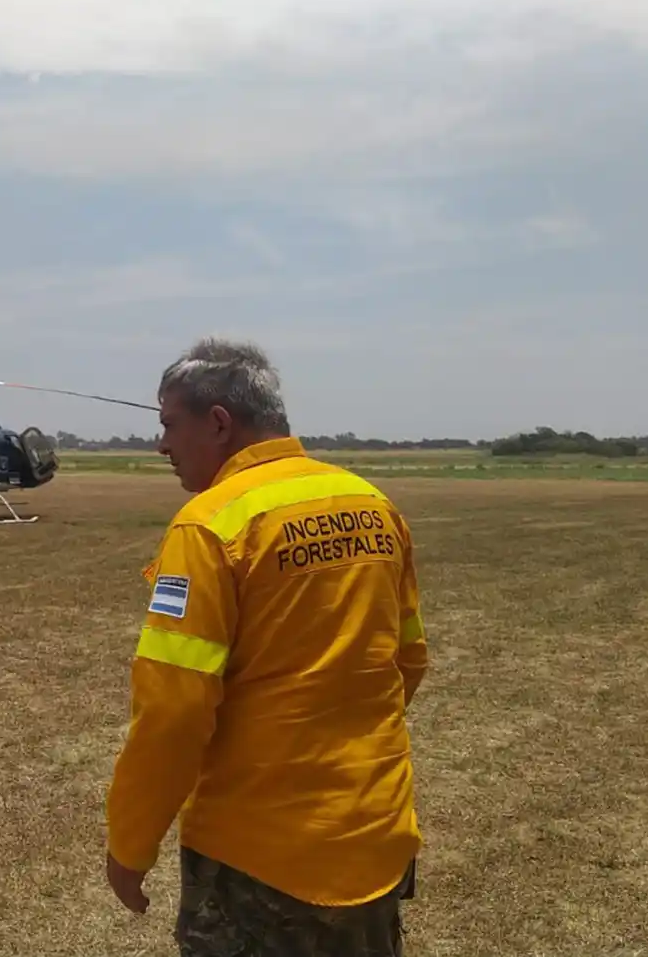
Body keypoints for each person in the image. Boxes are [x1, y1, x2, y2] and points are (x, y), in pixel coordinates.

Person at [103, 337, 429, 956]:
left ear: (219, 423)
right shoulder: (371, 504)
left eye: (169, 424)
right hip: (375, 833)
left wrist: (130, 845)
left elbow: (173, 712)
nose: (162, 444)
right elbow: (407, 659)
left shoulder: (211, 523)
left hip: (261, 857)